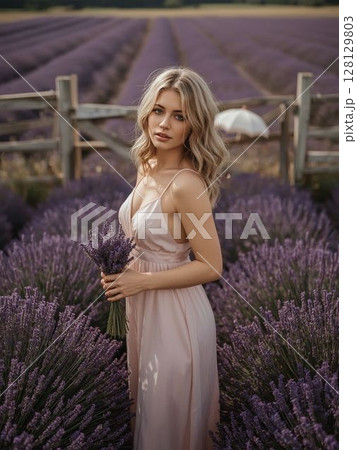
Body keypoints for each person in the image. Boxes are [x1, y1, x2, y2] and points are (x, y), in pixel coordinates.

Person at [101, 66, 230, 450]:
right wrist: (118, 271)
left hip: (178, 321)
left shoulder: (187, 184)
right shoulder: (148, 165)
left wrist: (142, 281)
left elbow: (211, 265)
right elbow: (143, 239)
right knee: (148, 418)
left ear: (195, 125)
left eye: (179, 116)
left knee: (165, 426)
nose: (164, 124)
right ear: (146, 113)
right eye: (159, 110)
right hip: (142, 312)